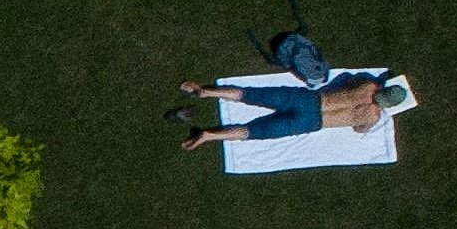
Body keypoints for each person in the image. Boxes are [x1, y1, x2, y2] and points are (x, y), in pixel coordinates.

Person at [173, 75, 404, 150]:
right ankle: (210, 135)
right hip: (311, 122)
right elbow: (358, 129)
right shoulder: (373, 116)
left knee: (250, 94)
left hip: (310, 100)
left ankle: (206, 92)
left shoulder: (368, 85)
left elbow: (349, 79)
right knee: (253, 132)